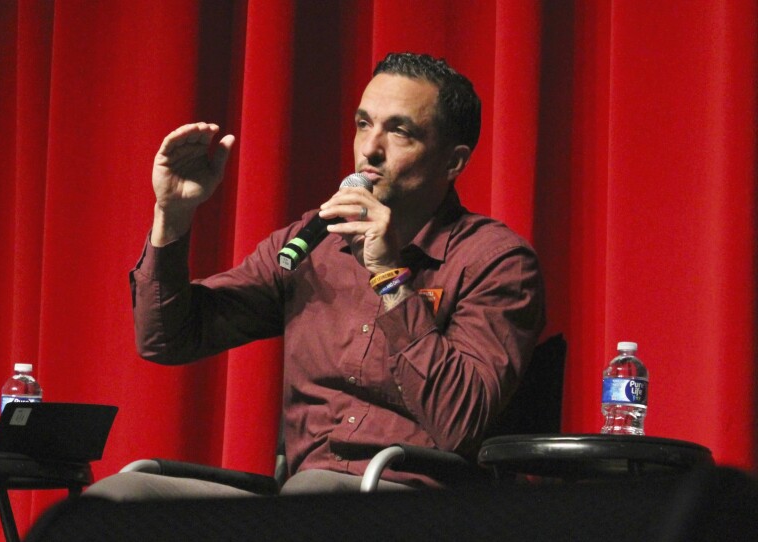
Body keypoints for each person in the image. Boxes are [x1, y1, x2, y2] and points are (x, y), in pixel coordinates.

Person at [87, 52, 545, 499]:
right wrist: (173, 215)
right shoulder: (313, 244)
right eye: (364, 124)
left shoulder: (495, 261)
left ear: (454, 161)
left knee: (313, 491)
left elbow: (461, 421)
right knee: (119, 496)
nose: (370, 149)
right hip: (301, 502)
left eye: (399, 131)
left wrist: (388, 274)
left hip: (416, 505)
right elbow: (167, 339)